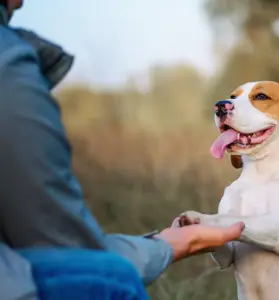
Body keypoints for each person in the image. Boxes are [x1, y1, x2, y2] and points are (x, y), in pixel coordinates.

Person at [0, 1, 245, 299]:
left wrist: (169, 242)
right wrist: (177, 244)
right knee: (112, 281)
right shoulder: (8, 64)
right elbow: (75, 255)